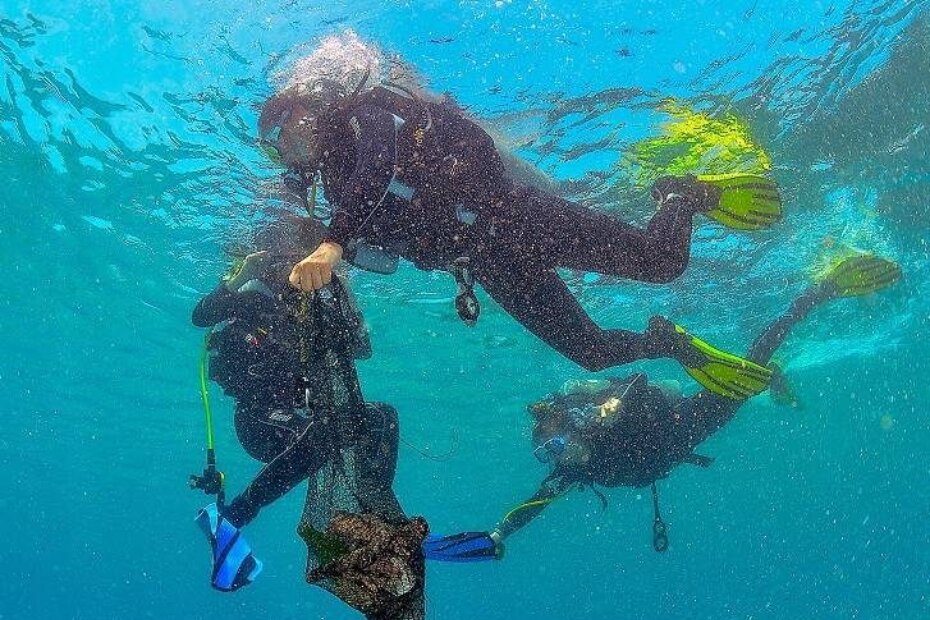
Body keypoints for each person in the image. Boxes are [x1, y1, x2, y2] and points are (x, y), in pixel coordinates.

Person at [255, 31, 782, 399]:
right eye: (273, 149)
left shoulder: (361, 114)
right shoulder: (332, 182)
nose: (284, 150)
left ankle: (680, 195)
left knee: (662, 263)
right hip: (487, 264)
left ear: (305, 110)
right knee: (591, 353)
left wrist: (331, 244)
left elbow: (380, 163)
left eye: (281, 133)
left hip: (515, 216)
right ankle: (667, 343)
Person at [482, 254, 901, 552]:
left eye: (556, 446)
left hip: (686, 418)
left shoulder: (599, 417)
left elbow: (638, 379)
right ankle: (771, 376)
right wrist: (499, 535)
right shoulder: (573, 471)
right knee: (750, 377)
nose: (560, 457)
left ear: (570, 429)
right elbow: (532, 506)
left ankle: (819, 292)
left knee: (748, 368)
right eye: (547, 456)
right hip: (686, 440)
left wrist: (615, 406)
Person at [190, 215, 406, 591]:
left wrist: (346, 297)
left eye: (295, 251)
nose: (287, 262)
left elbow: (362, 350)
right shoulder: (249, 296)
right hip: (257, 419)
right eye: (280, 253)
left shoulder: (310, 303)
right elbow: (200, 316)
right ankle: (235, 514)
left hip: (301, 409)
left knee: (381, 418)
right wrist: (242, 274)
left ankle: (375, 520)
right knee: (324, 430)